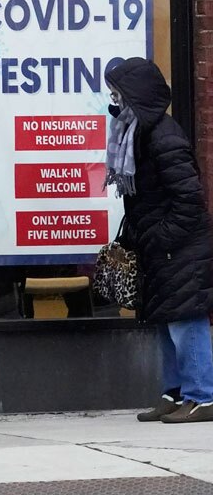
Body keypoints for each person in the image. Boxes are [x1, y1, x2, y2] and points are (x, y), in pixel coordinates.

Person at [105, 58, 213, 424]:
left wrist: (161, 237)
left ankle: (203, 396)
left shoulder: (163, 135)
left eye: (118, 92)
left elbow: (189, 197)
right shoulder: (137, 132)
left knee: (187, 321)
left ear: (136, 95)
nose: (113, 99)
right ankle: (175, 393)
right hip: (160, 246)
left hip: (178, 246)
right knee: (166, 321)